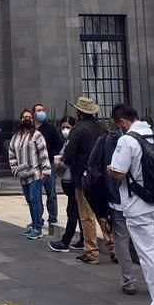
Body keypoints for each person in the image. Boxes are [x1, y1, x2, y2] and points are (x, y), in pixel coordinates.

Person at [108, 104, 154, 305]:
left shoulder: (127, 140)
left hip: (138, 205)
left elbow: (119, 173)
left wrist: (110, 169)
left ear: (122, 123)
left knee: (148, 255)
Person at [88, 121, 138, 295]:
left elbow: (92, 165)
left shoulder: (106, 139)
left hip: (117, 199)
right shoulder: (146, 139)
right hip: (142, 200)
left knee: (121, 240)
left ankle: (128, 281)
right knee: (148, 242)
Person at [61, 97, 104, 264]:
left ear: (79, 112)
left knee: (86, 216)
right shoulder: (102, 127)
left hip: (83, 178)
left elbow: (69, 155)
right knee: (103, 213)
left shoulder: (77, 129)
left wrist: (66, 162)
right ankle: (113, 247)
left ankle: (92, 252)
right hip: (100, 178)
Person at [9, 108, 52, 238]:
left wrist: (46, 170)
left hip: (35, 173)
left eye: (29, 117)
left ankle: (38, 228)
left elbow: (43, 153)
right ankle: (33, 224)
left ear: (32, 120)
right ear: (21, 119)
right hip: (22, 174)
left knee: (35, 200)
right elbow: (11, 154)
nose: (26, 119)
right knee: (29, 200)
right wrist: (14, 169)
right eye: (24, 117)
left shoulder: (37, 135)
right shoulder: (16, 136)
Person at [50, 117, 86, 253]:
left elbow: (69, 158)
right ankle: (82, 238)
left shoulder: (74, 141)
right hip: (67, 179)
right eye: (63, 127)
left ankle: (66, 240)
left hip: (72, 179)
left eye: (68, 127)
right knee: (76, 210)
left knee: (72, 211)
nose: (65, 130)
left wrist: (62, 163)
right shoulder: (67, 141)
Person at [35, 103, 63, 226]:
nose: (41, 112)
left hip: (48, 163)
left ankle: (52, 218)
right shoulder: (31, 129)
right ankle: (38, 218)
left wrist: (54, 157)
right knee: (36, 194)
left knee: (51, 192)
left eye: (42, 110)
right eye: (38, 110)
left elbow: (58, 145)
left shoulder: (50, 128)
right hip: (34, 165)